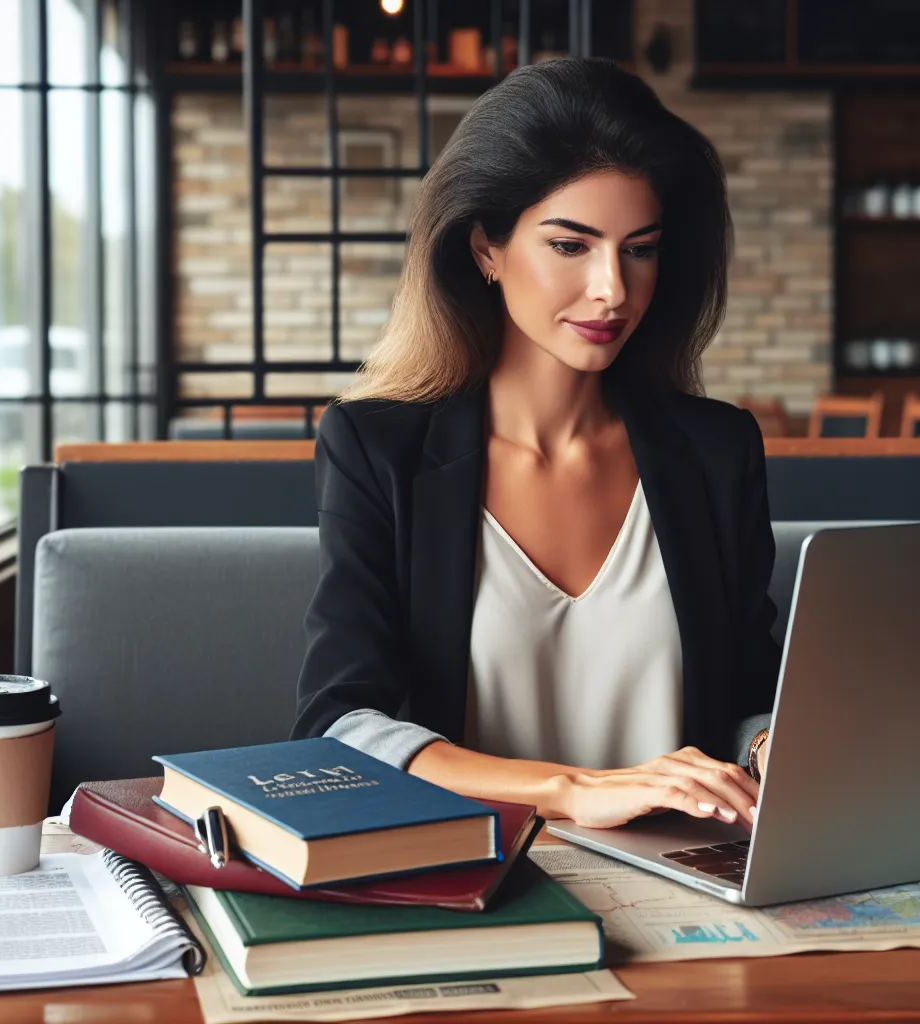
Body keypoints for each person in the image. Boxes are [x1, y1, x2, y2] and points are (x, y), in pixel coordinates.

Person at [291, 58, 780, 834]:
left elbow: (748, 694)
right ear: (485, 247)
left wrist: (767, 744)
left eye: (640, 248)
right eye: (570, 246)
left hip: (689, 880)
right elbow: (341, 727)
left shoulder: (718, 449)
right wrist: (568, 789)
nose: (612, 288)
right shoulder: (377, 447)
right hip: (481, 881)